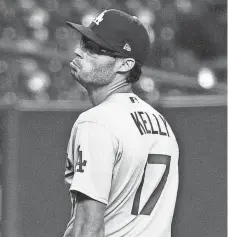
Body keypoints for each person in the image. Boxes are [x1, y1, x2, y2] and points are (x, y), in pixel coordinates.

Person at [63, 9, 179, 237]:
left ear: (125, 65)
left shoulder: (96, 122)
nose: (79, 51)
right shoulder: (161, 124)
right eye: (83, 42)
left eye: (93, 48)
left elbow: (89, 227)